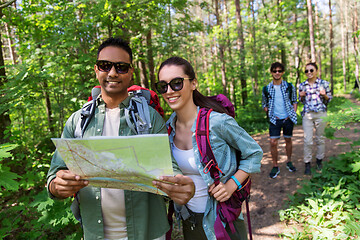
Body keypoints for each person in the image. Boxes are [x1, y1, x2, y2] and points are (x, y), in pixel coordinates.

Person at [46, 37, 195, 240]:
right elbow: (54, 177)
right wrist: (57, 187)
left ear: (131, 72)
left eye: (121, 67)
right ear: (96, 70)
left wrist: (179, 187)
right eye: (105, 66)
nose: (113, 73)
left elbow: (169, 168)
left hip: (148, 232)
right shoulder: (78, 122)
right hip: (95, 233)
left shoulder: (149, 118)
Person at [155, 56, 263, 240]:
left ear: (193, 83)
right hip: (191, 221)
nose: (169, 91)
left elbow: (254, 153)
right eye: (163, 86)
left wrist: (231, 185)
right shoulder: (167, 129)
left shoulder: (217, 122)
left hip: (224, 221)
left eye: (177, 83)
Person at [262, 62, 298, 179]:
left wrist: (292, 114)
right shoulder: (267, 88)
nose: (277, 73)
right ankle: (275, 165)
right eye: (274, 71)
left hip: (287, 118)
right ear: (271, 72)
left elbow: (294, 101)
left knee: (288, 139)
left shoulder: (289, 86)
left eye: (279, 71)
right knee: (273, 142)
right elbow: (264, 103)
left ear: (283, 72)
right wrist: (267, 110)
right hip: (274, 119)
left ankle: (289, 161)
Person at [299, 62, 332, 175]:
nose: (309, 72)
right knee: (307, 140)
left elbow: (329, 100)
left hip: (321, 114)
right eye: (306, 71)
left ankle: (319, 161)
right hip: (307, 115)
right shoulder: (302, 85)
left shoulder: (324, 83)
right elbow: (301, 101)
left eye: (311, 70)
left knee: (320, 139)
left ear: (316, 71)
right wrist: (301, 96)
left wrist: (325, 95)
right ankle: (307, 163)